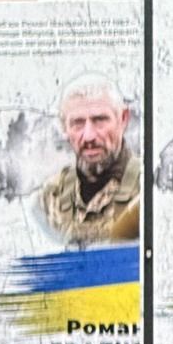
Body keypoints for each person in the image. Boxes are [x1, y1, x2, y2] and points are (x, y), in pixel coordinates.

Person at [38, 76, 141, 245]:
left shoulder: (149, 191)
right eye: (77, 123)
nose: (89, 136)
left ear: (123, 118)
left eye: (100, 120)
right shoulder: (50, 196)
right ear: (64, 127)